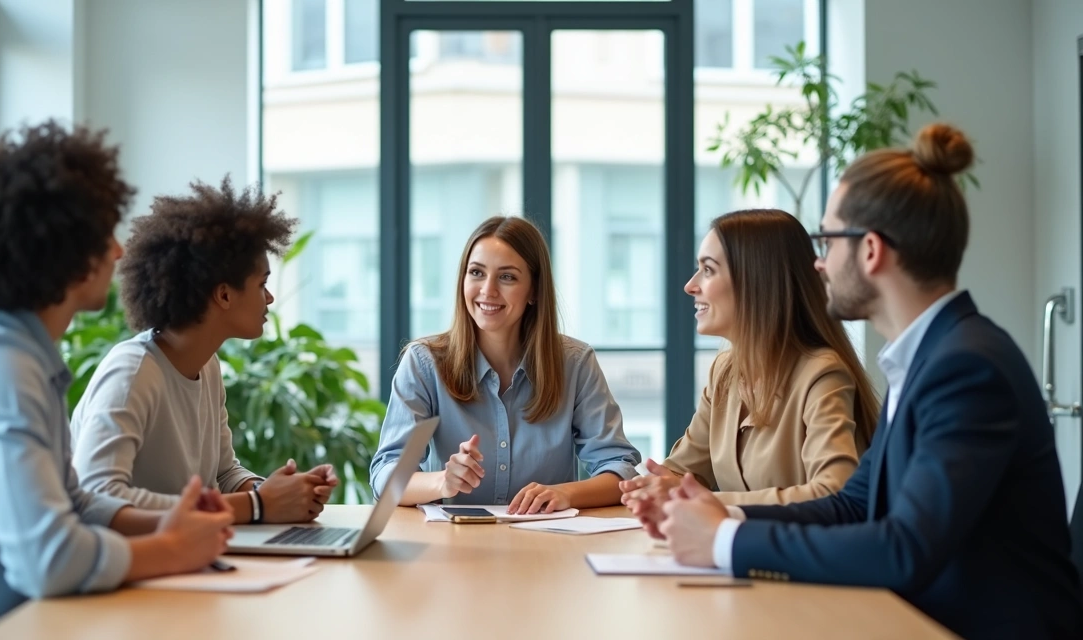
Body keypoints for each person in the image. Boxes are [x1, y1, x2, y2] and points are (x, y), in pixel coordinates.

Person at [657, 123, 1083, 639]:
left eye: (827, 240)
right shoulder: (928, 357)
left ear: (872, 250)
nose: (817, 263)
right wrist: (724, 516)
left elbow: (904, 548)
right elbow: (851, 505)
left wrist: (724, 540)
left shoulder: (966, 368)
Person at [0, 122, 235, 640]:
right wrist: (171, 550)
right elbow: (47, 559)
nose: (117, 253)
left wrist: (171, 524)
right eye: (104, 234)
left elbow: (77, 502)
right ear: (62, 247)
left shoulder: (11, 348)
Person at [71, 178, 337, 524]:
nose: (269, 298)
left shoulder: (206, 365)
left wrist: (280, 492)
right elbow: (98, 496)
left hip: (185, 557)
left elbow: (224, 475)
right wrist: (258, 506)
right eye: (262, 284)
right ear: (224, 295)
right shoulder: (133, 372)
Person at [621, 209, 880, 532]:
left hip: (806, 568)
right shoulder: (726, 372)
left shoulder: (821, 375)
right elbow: (682, 473)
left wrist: (711, 502)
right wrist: (651, 490)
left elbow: (833, 491)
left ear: (757, 281)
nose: (690, 285)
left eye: (708, 270)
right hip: (742, 560)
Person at [370, 216, 641, 514]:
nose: (488, 290)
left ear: (534, 291)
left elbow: (620, 470)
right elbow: (386, 474)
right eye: (476, 273)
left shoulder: (575, 363)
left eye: (507, 277)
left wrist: (565, 494)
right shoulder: (424, 363)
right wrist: (442, 482)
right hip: (453, 547)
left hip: (547, 546)